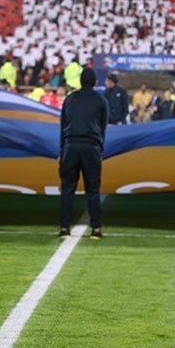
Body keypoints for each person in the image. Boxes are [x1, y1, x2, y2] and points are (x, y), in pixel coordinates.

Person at [58, 67, 108, 240]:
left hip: (70, 146)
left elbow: (63, 125)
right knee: (93, 189)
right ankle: (96, 228)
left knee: (67, 189)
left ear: (80, 81)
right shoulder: (101, 100)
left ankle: (64, 227)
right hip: (91, 146)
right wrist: (99, 149)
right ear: (95, 82)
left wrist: (62, 149)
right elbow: (102, 128)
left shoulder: (70, 99)